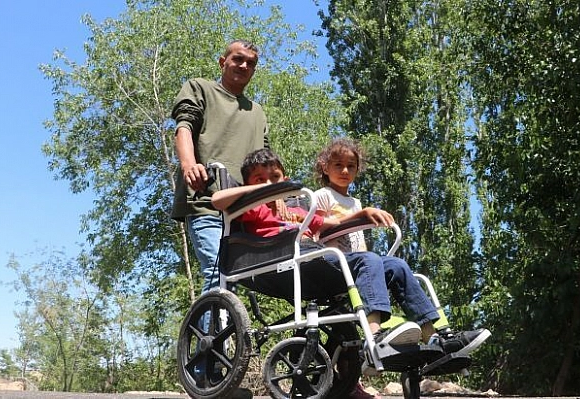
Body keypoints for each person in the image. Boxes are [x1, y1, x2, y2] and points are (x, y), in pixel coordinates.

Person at [212, 149, 491, 357]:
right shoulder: (252, 207)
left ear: (285, 178)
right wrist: (262, 191)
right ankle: (376, 338)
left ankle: (436, 338)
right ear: (250, 183)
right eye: (260, 179)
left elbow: (333, 224)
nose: (269, 183)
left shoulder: (299, 209)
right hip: (284, 262)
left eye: (275, 178)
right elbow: (217, 200)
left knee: (395, 264)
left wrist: (363, 213)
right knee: (368, 259)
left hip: (316, 261)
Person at [171, 39, 269, 295]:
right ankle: (213, 337)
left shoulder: (257, 112)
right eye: (238, 59)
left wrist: (277, 194)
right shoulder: (200, 88)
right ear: (222, 62)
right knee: (218, 274)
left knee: (241, 279)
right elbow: (184, 127)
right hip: (207, 200)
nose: (244, 65)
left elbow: (267, 161)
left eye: (251, 63)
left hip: (246, 212)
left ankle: (229, 332)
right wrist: (189, 165)